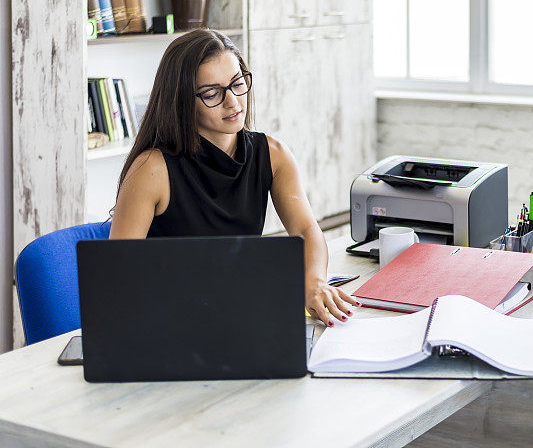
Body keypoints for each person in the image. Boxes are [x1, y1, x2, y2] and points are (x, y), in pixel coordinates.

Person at [109, 28, 358, 328]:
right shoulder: (151, 169)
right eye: (212, 93)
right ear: (182, 101)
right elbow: (119, 274)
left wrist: (314, 281)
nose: (233, 102)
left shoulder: (274, 155)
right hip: (170, 322)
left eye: (238, 84)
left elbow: (306, 229)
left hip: (237, 315)